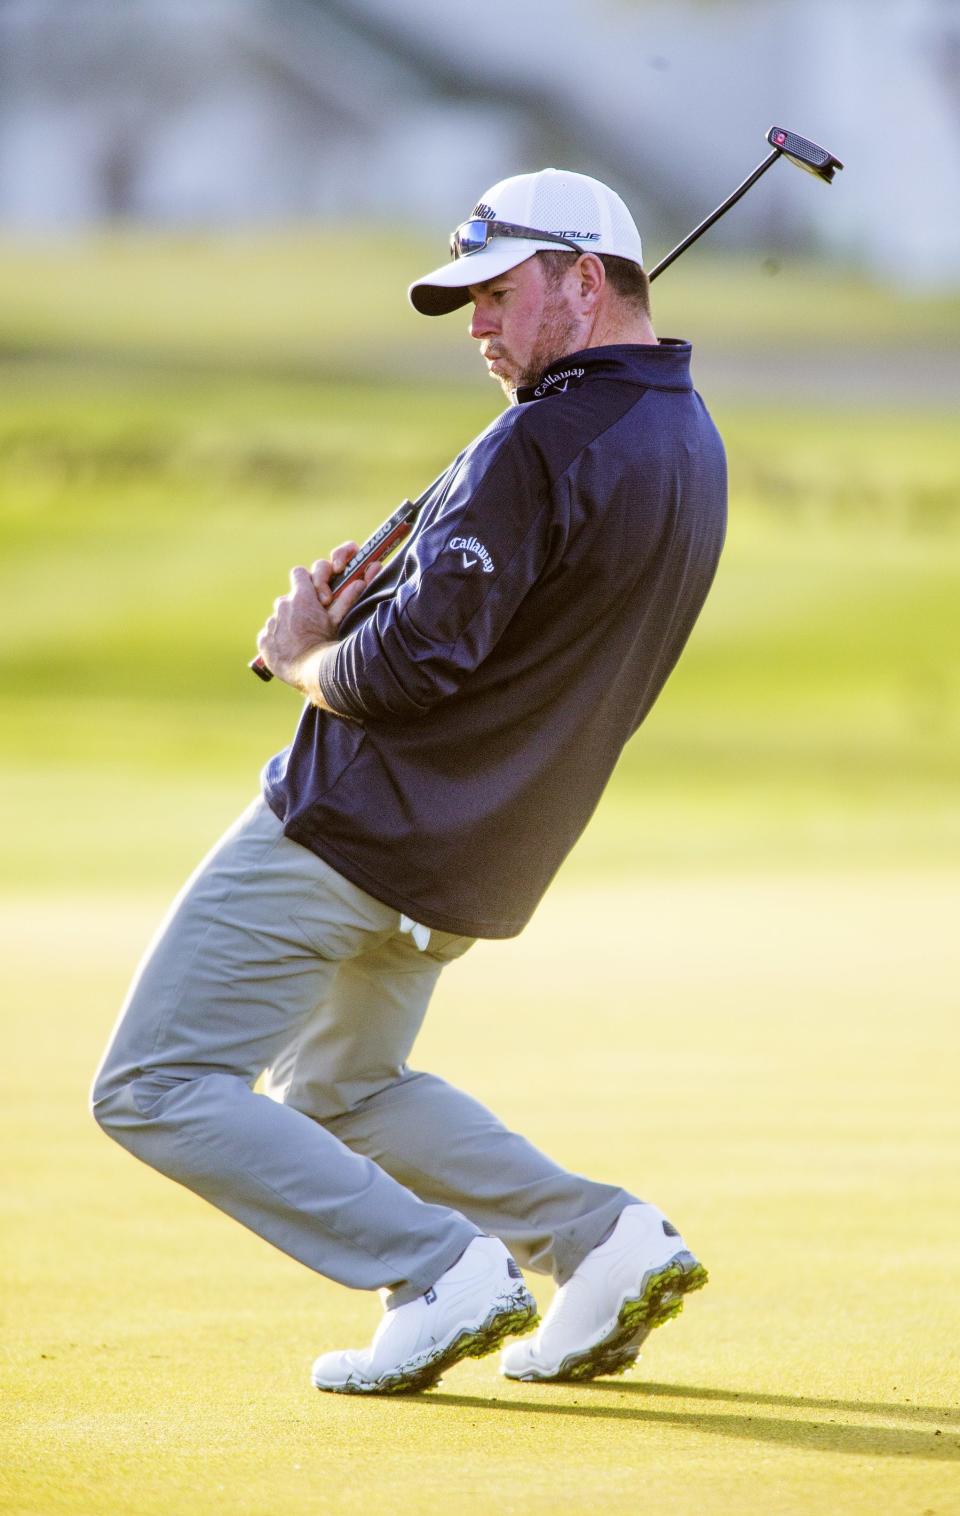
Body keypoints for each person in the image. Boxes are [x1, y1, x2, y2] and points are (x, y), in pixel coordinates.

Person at [91, 167, 727, 1396]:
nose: (479, 329)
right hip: (467, 852)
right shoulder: (684, 437)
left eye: (497, 296)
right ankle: (596, 1242)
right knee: (340, 1084)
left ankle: (434, 1270)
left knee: (155, 1086)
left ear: (582, 280)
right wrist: (369, 602)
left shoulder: (541, 440)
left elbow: (413, 667)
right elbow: (506, 629)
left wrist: (303, 651)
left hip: (344, 829)